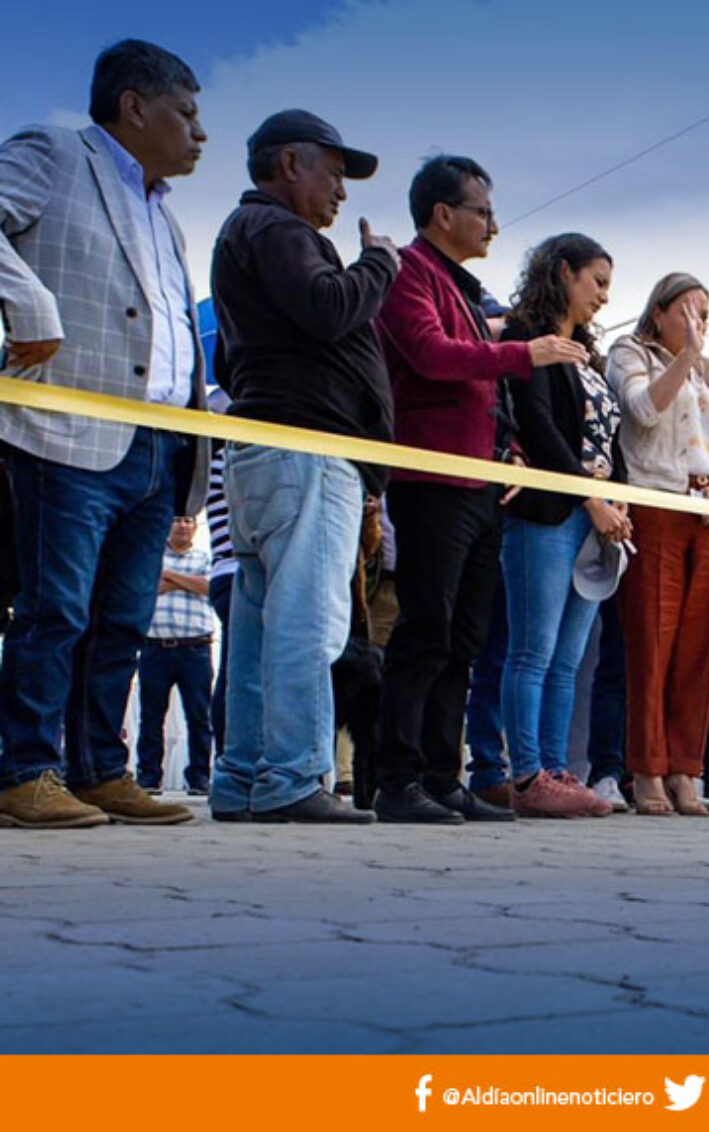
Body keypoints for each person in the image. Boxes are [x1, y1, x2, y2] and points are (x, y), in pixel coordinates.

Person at [0, 40, 209, 829]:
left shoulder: (168, 217)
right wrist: (31, 305)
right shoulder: (55, 154)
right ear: (134, 106)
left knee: (122, 618)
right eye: (186, 113)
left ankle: (96, 769)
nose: (200, 133)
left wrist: (188, 450)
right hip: (66, 430)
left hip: (155, 446)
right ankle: (23, 770)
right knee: (56, 608)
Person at [372, 156, 578, 824]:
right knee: (424, 631)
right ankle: (396, 778)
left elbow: (481, 384)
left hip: (482, 484)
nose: (493, 224)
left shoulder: (462, 286)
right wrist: (526, 354)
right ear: (443, 215)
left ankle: (442, 775)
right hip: (432, 478)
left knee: (464, 639)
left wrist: (510, 446)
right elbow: (431, 357)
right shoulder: (409, 272)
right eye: (483, 211)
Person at [209, 109, 396, 824]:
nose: (342, 193)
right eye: (334, 171)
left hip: (270, 451)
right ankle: (291, 778)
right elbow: (327, 307)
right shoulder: (280, 230)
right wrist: (378, 263)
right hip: (307, 450)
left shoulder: (245, 236)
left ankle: (244, 778)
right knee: (306, 623)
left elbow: (233, 358)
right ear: (291, 164)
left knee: (260, 623)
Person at [484, 233, 623, 819]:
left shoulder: (588, 352)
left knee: (569, 658)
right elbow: (537, 424)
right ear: (563, 273)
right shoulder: (525, 338)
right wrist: (589, 497)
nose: (603, 298)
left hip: (595, 519)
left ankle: (558, 768)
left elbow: (606, 437)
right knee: (532, 650)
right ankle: (526, 775)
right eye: (597, 282)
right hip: (545, 513)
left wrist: (614, 501)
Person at [606, 272, 709, 816]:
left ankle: (689, 770)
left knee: (700, 649)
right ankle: (647, 771)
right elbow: (642, 410)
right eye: (687, 311)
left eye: (704, 315)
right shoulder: (631, 352)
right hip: (657, 500)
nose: (697, 324)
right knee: (652, 644)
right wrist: (684, 355)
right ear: (659, 310)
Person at [135, 516, 216, 794]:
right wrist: (188, 583)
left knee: (199, 717)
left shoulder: (207, 557)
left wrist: (168, 576)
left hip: (196, 648)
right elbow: (146, 587)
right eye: (177, 520)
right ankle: (148, 777)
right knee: (151, 717)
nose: (183, 525)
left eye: (188, 521)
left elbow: (210, 587)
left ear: (195, 527)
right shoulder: (151, 554)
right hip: (155, 647)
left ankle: (199, 778)